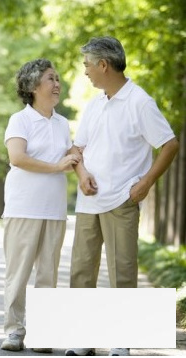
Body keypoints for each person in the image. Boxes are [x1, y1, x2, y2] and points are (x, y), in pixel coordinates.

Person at [65, 36, 179, 357]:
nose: (85, 71)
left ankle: (121, 341)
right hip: (89, 201)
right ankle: (82, 338)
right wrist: (82, 173)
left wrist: (146, 183)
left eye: (88, 64)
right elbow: (78, 148)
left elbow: (169, 144)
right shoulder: (95, 103)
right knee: (81, 270)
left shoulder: (140, 102)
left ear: (104, 65)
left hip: (121, 201)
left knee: (123, 270)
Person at [1, 58, 80, 353]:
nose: (57, 84)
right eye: (51, 78)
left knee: (48, 275)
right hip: (23, 208)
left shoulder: (62, 123)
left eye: (58, 78)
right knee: (18, 274)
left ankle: (43, 333)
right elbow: (17, 158)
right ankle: (13, 331)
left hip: (55, 210)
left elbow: (72, 157)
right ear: (34, 86)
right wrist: (57, 166)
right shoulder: (19, 120)